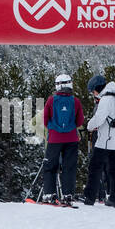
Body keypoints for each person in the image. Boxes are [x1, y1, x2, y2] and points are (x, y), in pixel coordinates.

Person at [40, 73, 84, 205]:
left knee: (50, 166)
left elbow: (45, 120)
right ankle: (67, 195)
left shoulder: (51, 100)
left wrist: (54, 128)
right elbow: (80, 121)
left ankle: (49, 194)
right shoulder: (75, 101)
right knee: (69, 167)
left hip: (54, 139)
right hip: (71, 139)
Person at [82, 75, 115, 208]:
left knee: (95, 167)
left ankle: (89, 197)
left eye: (93, 90)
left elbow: (98, 119)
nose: (93, 94)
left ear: (97, 88)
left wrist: (89, 125)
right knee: (114, 170)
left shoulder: (106, 99)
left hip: (105, 140)